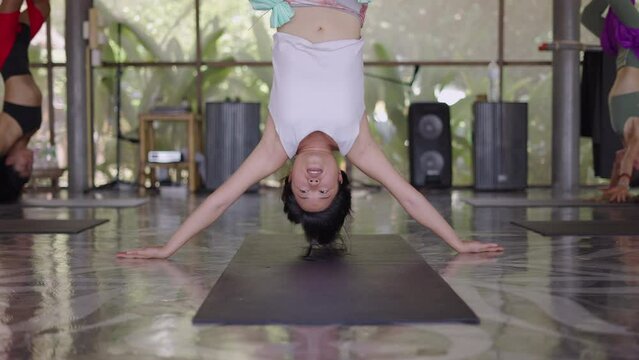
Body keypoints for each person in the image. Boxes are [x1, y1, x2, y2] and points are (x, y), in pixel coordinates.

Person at [117, 0, 503, 260]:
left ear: (288, 180)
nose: (313, 180)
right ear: (341, 177)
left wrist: (168, 248)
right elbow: (411, 199)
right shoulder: (358, 142)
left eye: (303, 190)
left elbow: (220, 200)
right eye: (324, 190)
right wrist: (457, 243)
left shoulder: (276, 144)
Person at [582, 0, 639, 202]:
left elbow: (620, 157)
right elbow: (633, 149)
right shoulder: (635, 135)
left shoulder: (626, 143)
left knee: (587, 16)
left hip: (625, 46)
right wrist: (623, 183)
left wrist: (612, 188)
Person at [0, 0, 49, 202]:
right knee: (42, 8)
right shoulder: (25, 136)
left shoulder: (4, 139)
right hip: (18, 49)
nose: (30, 163)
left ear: (9, 161)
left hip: (3, 50)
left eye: (24, 167)